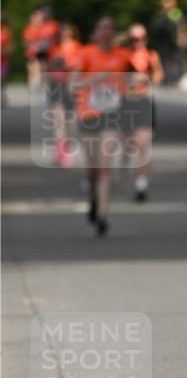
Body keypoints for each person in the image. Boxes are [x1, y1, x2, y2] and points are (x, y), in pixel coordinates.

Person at [71, 16, 133, 236]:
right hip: (88, 115)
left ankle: (103, 215)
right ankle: (93, 200)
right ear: (95, 33)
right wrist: (95, 80)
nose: (106, 32)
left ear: (114, 33)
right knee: (92, 169)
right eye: (102, 28)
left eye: (110, 28)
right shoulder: (85, 54)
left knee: (105, 165)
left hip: (112, 116)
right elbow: (73, 85)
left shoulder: (123, 56)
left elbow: (133, 83)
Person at [122, 23, 164, 201]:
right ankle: (126, 162)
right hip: (125, 103)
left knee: (144, 145)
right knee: (128, 144)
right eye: (133, 39)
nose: (136, 42)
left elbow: (159, 74)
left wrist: (148, 80)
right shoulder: (122, 56)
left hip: (144, 102)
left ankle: (141, 184)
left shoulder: (151, 55)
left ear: (145, 39)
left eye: (139, 39)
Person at [44, 22, 81, 166]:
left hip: (70, 85)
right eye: (63, 31)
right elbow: (49, 66)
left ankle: (67, 150)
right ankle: (60, 153)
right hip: (56, 85)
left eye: (68, 31)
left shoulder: (77, 47)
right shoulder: (54, 48)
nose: (65, 34)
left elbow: (78, 66)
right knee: (57, 120)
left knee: (69, 122)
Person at [150, 0, 187, 84]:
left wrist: (185, 38)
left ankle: (179, 78)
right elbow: (155, 28)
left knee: (178, 60)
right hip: (163, 43)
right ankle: (167, 79)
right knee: (164, 60)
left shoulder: (177, 14)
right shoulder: (160, 15)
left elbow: (183, 26)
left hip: (176, 43)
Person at [22, 7, 60, 87]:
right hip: (34, 53)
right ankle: (34, 86)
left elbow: (53, 38)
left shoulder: (50, 25)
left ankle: (42, 85)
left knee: (43, 68)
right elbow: (27, 42)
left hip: (47, 52)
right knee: (34, 69)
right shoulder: (31, 28)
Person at [1, 15, 12, 105]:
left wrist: (3, 51)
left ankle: (3, 96)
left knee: (2, 79)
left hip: (3, 60)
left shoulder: (6, 32)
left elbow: (10, 47)